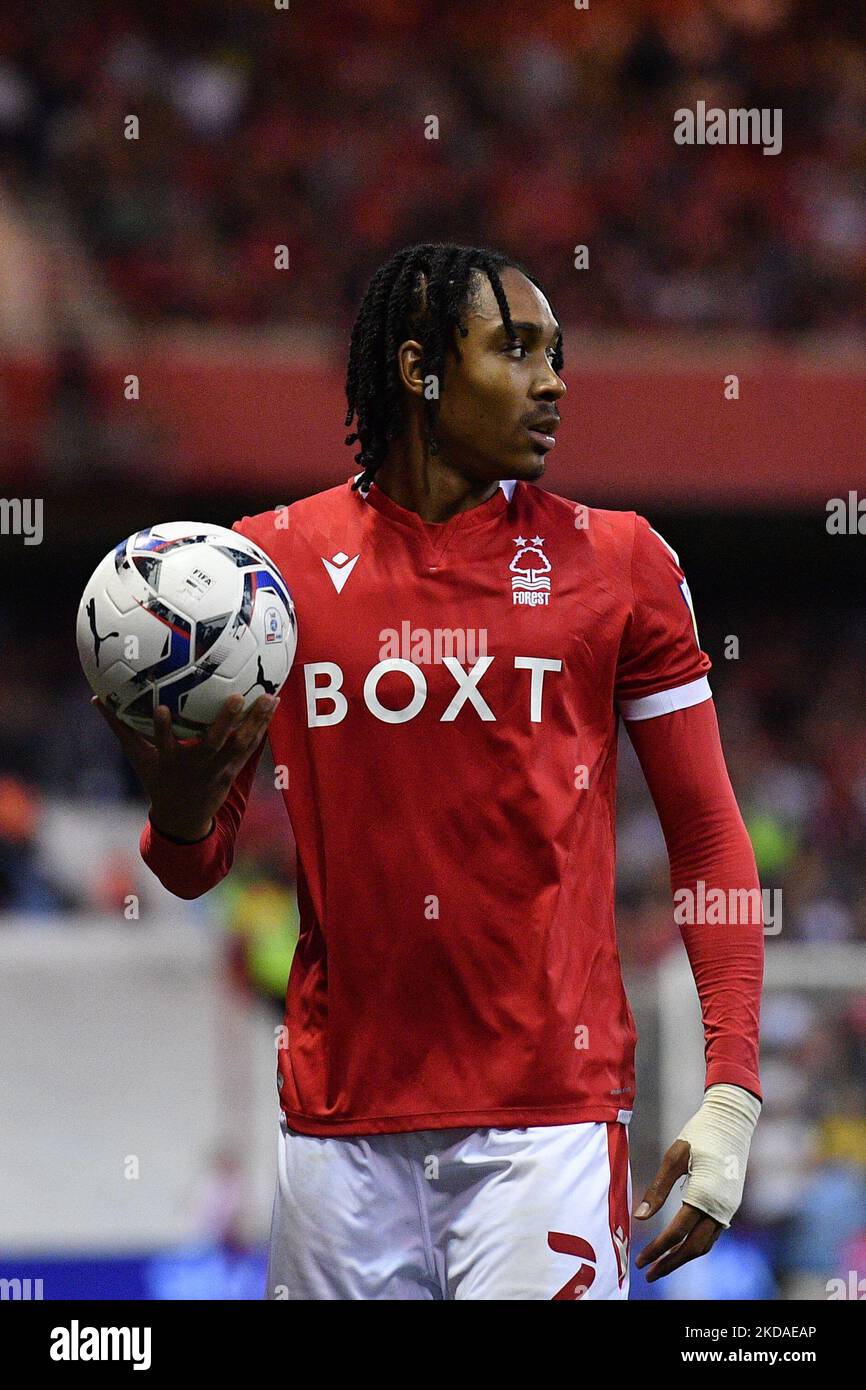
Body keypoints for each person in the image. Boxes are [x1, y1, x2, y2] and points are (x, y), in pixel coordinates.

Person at [95, 242, 764, 1300]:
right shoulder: (261, 569)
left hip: (546, 1129)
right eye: (514, 348)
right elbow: (189, 867)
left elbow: (707, 834)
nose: (551, 381)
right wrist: (176, 800)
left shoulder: (621, 562)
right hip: (334, 1141)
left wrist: (728, 1092)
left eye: (556, 354)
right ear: (419, 369)